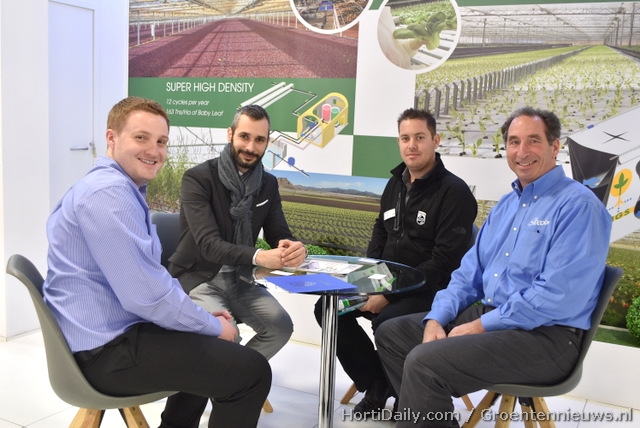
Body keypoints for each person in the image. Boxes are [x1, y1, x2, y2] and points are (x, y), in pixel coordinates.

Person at [375, 107, 612, 428]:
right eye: (514, 142)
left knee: (423, 361)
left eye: (533, 141)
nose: (522, 151)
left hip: (547, 337)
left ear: (555, 146)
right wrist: (437, 318)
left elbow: (557, 296)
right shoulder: (506, 206)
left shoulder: (579, 206)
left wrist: (479, 326)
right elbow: (467, 275)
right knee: (393, 335)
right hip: (494, 317)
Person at [43, 96, 271, 428]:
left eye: (161, 141)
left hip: (111, 333)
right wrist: (211, 325)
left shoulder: (119, 188)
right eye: (141, 138)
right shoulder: (109, 195)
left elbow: (150, 281)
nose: (154, 151)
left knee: (209, 345)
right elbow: (147, 296)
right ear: (111, 138)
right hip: (104, 353)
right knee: (252, 372)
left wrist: (199, 320)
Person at [313, 108, 478, 416]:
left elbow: (444, 261)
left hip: (429, 291)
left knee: (387, 321)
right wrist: (369, 277)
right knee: (328, 308)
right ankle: (377, 382)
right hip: (387, 281)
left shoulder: (454, 192)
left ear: (435, 141)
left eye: (419, 137)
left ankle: (408, 392)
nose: (411, 145)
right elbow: (381, 229)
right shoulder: (395, 184)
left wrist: (387, 295)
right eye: (405, 138)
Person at [167, 104, 306, 361]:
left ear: (267, 142)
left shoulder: (268, 183)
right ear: (230, 134)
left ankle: (238, 374)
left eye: (259, 140)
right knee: (228, 335)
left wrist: (294, 247)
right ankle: (235, 377)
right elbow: (209, 245)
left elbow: (279, 232)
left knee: (280, 326)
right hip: (200, 278)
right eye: (244, 136)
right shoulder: (198, 178)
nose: (251, 147)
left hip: (242, 280)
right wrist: (259, 256)